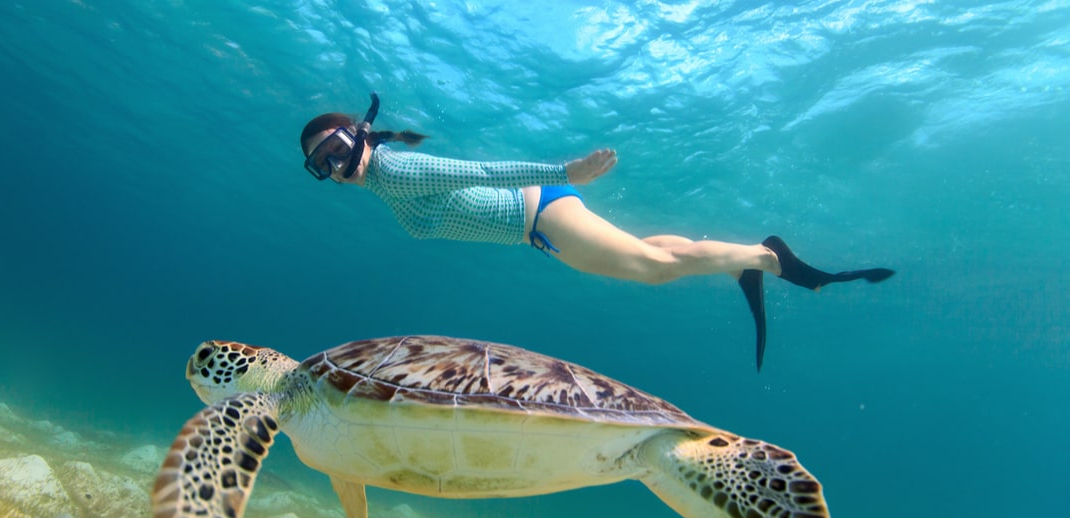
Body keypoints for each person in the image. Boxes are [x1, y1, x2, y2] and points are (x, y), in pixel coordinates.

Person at [301, 94, 894, 370]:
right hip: (538, 221)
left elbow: (480, 171)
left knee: (653, 271)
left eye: (332, 148)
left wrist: (567, 171)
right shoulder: (384, 181)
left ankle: (767, 259)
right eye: (319, 164)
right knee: (654, 256)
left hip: (538, 214)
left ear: (357, 134)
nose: (333, 166)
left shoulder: (394, 169)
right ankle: (746, 261)